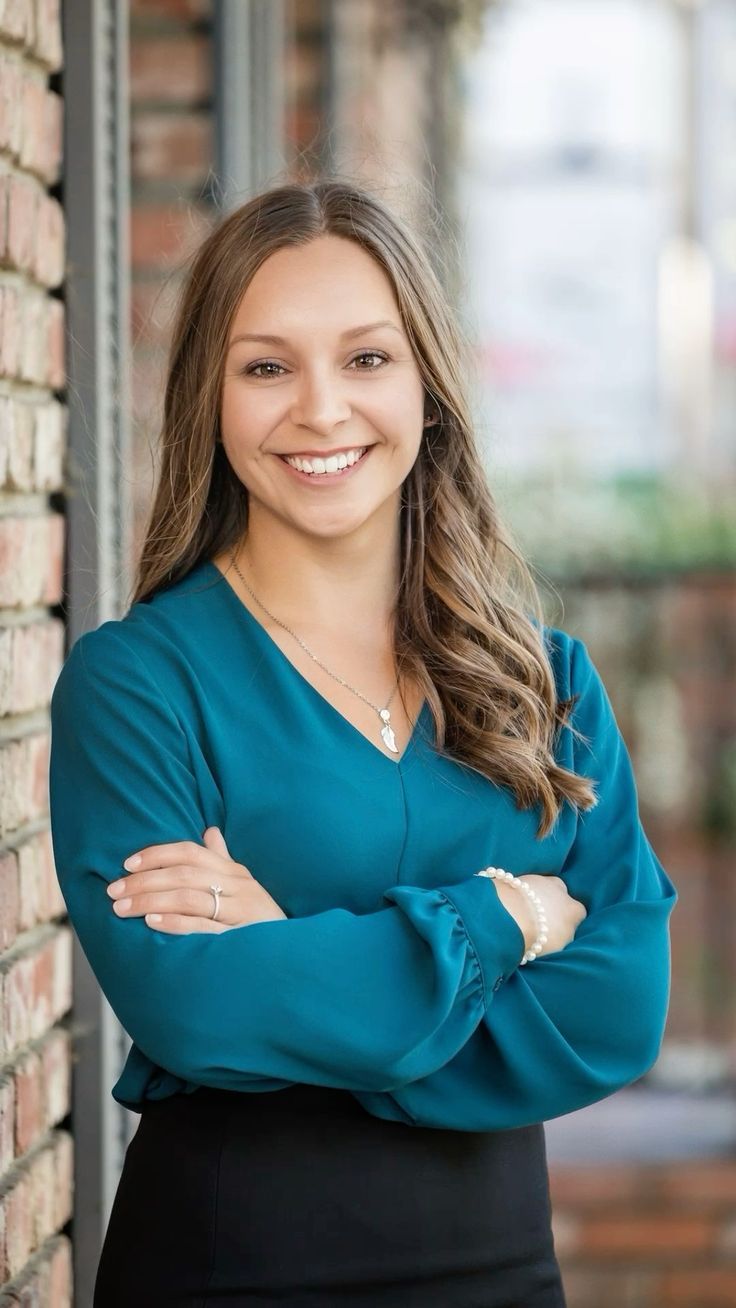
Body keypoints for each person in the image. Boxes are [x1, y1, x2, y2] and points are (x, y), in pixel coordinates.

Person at [48, 179, 677, 1308]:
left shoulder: (545, 682)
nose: (321, 410)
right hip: (232, 1271)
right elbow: (194, 1008)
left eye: (367, 360)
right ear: (213, 396)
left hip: (501, 1274)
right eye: (267, 366)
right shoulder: (138, 683)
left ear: (429, 387)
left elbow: (616, 1010)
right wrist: (509, 918)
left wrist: (293, 952)